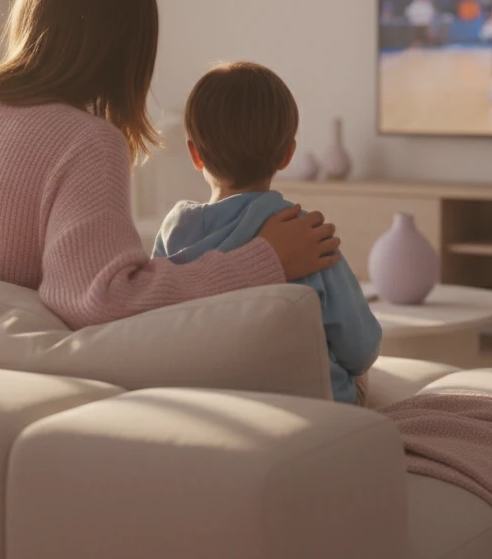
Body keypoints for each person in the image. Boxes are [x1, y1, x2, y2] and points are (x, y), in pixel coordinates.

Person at [0, 0, 341, 330]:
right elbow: (105, 297)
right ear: (130, 50)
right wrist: (266, 261)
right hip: (8, 376)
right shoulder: (86, 141)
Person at [153, 62, 382, 405]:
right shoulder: (304, 234)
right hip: (316, 406)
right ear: (288, 154)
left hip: (207, 399)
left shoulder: (175, 231)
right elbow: (361, 348)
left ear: (195, 154)